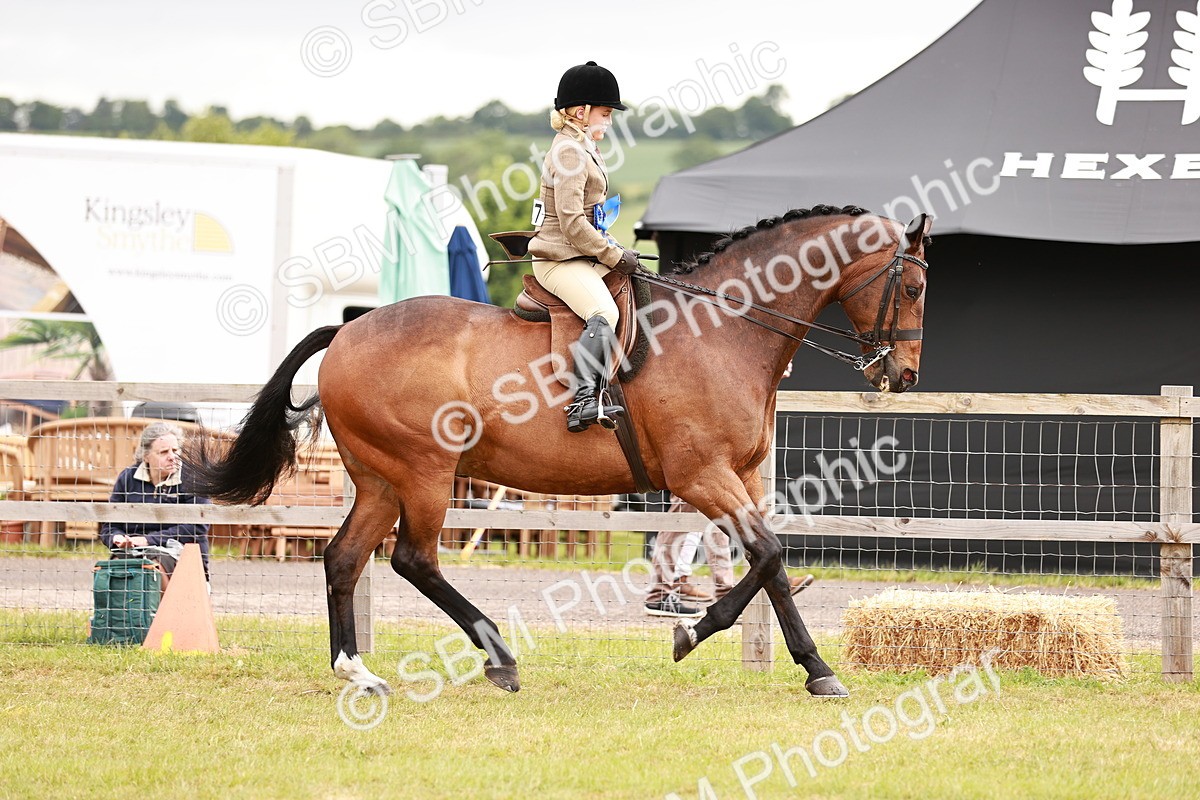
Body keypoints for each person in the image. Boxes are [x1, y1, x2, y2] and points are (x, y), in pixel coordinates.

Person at [527, 60, 641, 433]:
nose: (608, 122)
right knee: (603, 313)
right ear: (581, 112)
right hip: (560, 260)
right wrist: (613, 255)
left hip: (582, 254)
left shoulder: (583, 146)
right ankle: (582, 401)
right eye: (605, 114)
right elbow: (574, 223)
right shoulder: (571, 153)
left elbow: (592, 221)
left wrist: (620, 251)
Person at [99, 422, 212, 580]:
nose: (172, 456)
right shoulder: (127, 478)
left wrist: (147, 540)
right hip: (133, 553)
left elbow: (197, 527)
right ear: (146, 456)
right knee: (115, 570)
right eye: (164, 452)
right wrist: (117, 538)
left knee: (152, 570)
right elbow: (109, 526)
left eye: (175, 450)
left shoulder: (194, 478)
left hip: (180, 553)